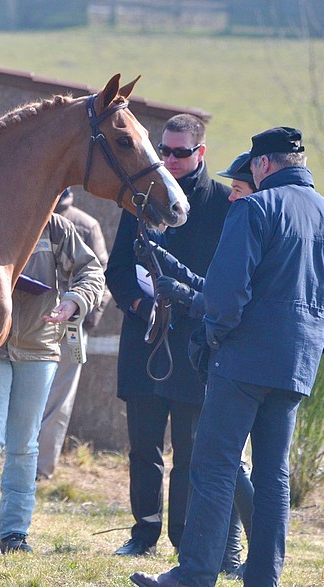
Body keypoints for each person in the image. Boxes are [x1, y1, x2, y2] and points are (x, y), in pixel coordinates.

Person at [130, 128, 324, 587]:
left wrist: (213, 337)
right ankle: (263, 578)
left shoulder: (255, 207)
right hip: (297, 360)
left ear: (262, 165)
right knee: (274, 475)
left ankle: (195, 575)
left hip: (243, 360)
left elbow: (226, 295)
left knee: (214, 464)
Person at [106, 114, 231, 557]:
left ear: (201, 153)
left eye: (180, 152)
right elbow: (116, 270)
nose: (171, 160)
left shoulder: (222, 202)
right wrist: (141, 307)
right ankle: (144, 533)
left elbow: (227, 278)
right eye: (165, 151)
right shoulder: (141, 198)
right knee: (143, 448)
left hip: (197, 343)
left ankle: (183, 537)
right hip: (145, 339)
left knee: (190, 451)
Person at [0, 213, 104, 555]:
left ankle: (15, 533)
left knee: (25, 444)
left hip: (40, 349)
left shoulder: (55, 226)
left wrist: (75, 301)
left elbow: (93, 271)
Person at [36, 187, 111, 480]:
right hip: (71, 324)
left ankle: (17, 464)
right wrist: (87, 318)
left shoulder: (29, 216)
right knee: (58, 400)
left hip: (30, 319)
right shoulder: (86, 223)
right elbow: (99, 276)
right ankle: (41, 470)